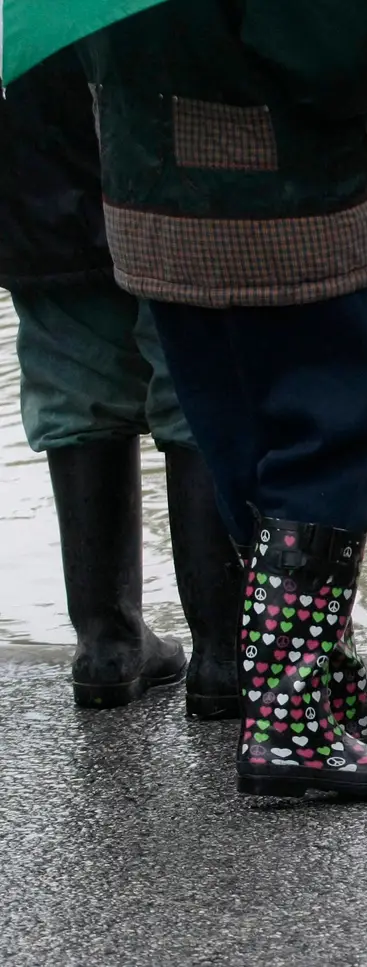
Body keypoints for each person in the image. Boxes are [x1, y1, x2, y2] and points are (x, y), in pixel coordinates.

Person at [79, 0, 367, 797]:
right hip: (279, 203)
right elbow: (355, 44)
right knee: (335, 438)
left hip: (153, 197)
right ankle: (288, 723)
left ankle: (322, 685)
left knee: (245, 441)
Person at [0, 48, 237, 715]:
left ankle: (107, 645)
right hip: (155, 143)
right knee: (195, 385)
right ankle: (226, 655)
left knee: (72, 384)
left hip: (30, 159)